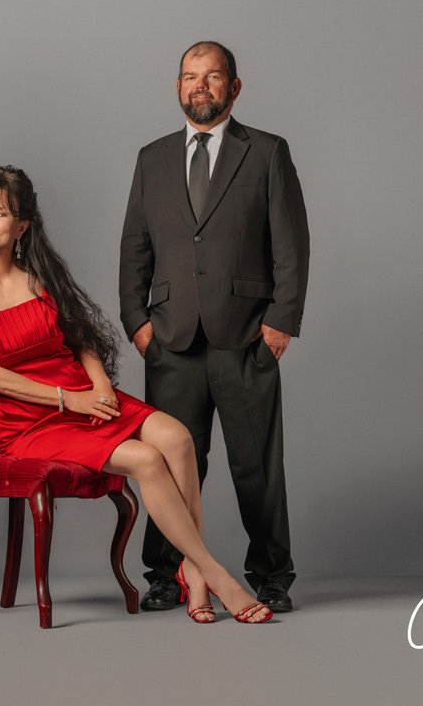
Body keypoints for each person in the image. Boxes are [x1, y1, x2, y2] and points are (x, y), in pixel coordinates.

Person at [0, 166, 271, 624]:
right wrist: (67, 400)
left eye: (1, 214)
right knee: (147, 460)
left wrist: (97, 384)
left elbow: (81, 342)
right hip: (31, 422)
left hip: (84, 396)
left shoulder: (38, 278)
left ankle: (192, 571)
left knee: (177, 438)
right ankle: (213, 574)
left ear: (23, 226)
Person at [119, 41, 310, 614]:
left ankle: (272, 575)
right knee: (168, 467)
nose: (199, 86)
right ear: (178, 87)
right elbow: (135, 246)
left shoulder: (267, 153)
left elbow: (291, 246)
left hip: (247, 338)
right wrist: (137, 322)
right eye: (189, 77)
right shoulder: (152, 157)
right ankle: (164, 573)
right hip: (170, 340)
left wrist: (280, 325)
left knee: (257, 465)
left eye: (212, 77)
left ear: (235, 87)